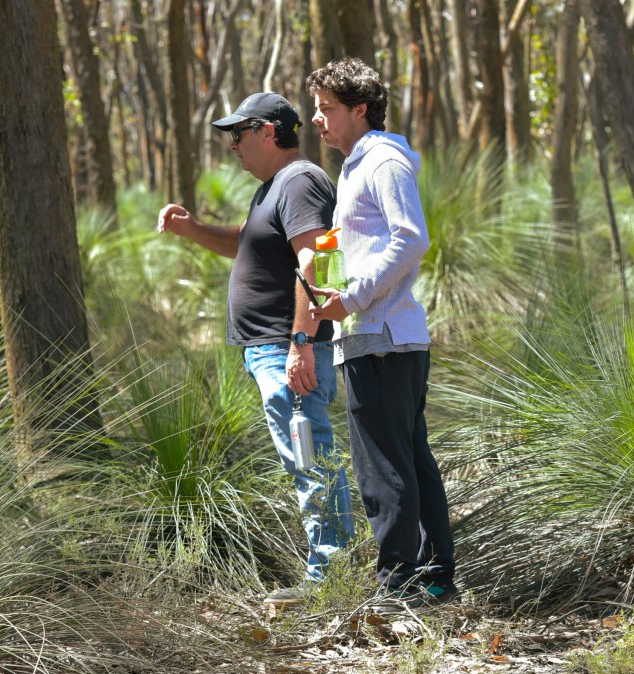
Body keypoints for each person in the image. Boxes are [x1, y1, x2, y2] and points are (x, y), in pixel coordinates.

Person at [156, 92, 354, 604]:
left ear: (269, 131)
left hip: (289, 348)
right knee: (304, 455)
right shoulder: (272, 189)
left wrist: (302, 341)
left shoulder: (300, 181)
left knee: (310, 452)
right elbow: (245, 242)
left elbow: (316, 260)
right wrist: (191, 229)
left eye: (238, 135)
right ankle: (332, 570)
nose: (233, 148)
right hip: (273, 348)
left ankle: (332, 577)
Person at [304, 59, 458, 606]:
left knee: (383, 469)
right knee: (409, 460)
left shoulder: (383, 161)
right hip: (375, 336)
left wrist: (355, 295)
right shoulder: (356, 167)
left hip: (384, 337)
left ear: (359, 109)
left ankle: (399, 585)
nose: (317, 121)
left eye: (327, 110)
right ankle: (436, 580)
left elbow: (411, 238)